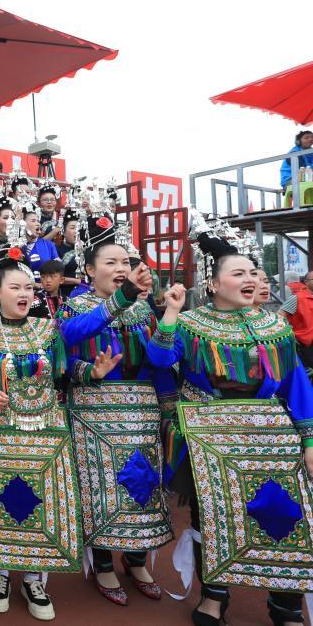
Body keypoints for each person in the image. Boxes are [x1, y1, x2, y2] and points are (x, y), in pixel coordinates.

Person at [151, 217, 313, 626]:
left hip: (269, 433)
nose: (249, 279)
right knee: (213, 514)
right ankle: (214, 596)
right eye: (237, 273)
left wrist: (309, 440)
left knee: (281, 512)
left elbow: (295, 386)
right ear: (213, 284)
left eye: (252, 272)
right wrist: (171, 311)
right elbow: (159, 360)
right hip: (209, 436)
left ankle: (285, 602)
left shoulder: (273, 324)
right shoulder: (190, 325)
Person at [58, 210, 176, 607]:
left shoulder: (143, 310)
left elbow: (158, 360)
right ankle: (105, 562)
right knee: (102, 492)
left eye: (126, 262)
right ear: (89, 270)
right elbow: (70, 340)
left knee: (142, 485)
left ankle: (138, 559)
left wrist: (170, 315)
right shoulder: (76, 306)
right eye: (111, 262)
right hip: (93, 413)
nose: (121, 268)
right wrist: (91, 370)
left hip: (140, 411)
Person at [0, 248, 88, 621]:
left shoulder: (48, 331)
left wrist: (92, 372)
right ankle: (0, 573)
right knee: (1, 499)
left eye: (29, 288)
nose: (24, 294)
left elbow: (65, 371)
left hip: (46, 430)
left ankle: (35, 578)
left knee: (43, 499)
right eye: (15, 287)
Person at [280, 270, 313, 367]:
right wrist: (290, 335)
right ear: (306, 282)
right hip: (306, 344)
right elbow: (280, 316)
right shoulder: (297, 298)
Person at [56, 210, 82, 296]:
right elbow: (54, 276)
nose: (76, 231)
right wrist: (77, 281)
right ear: (63, 231)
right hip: (65, 293)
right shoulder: (57, 249)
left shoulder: (87, 248)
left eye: (79, 227)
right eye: (72, 227)